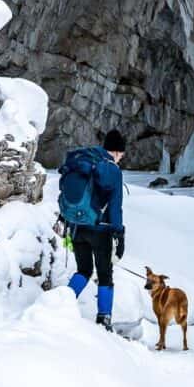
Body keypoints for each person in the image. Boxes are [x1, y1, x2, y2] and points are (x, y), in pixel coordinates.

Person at [62, 129, 127, 330]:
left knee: (84, 270)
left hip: (77, 226)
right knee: (105, 274)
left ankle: (61, 305)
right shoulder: (111, 169)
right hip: (101, 230)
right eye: (121, 154)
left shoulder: (83, 162)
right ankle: (104, 319)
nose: (121, 158)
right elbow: (115, 205)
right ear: (116, 152)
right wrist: (119, 233)